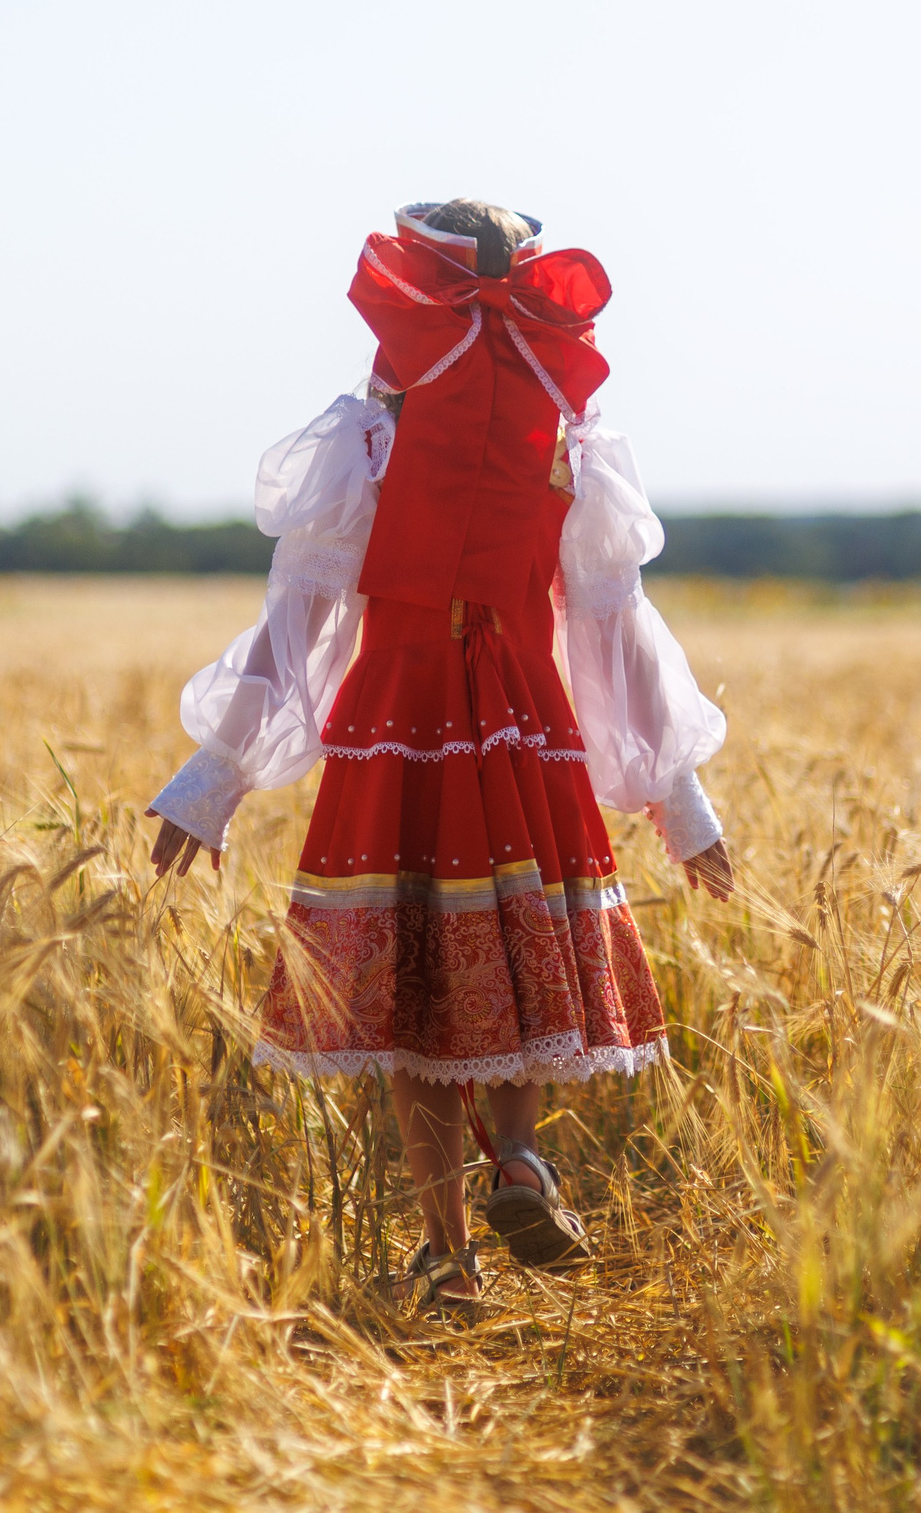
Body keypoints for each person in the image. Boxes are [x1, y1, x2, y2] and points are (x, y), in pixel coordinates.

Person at [145, 199, 733, 1310]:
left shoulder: (374, 429)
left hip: (399, 716)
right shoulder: (565, 425)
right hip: (522, 712)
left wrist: (211, 781)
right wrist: (680, 799)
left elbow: (304, 617)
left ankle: (450, 1255)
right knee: (515, 950)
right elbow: (612, 624)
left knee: (411, 989)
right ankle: (517, 1155)